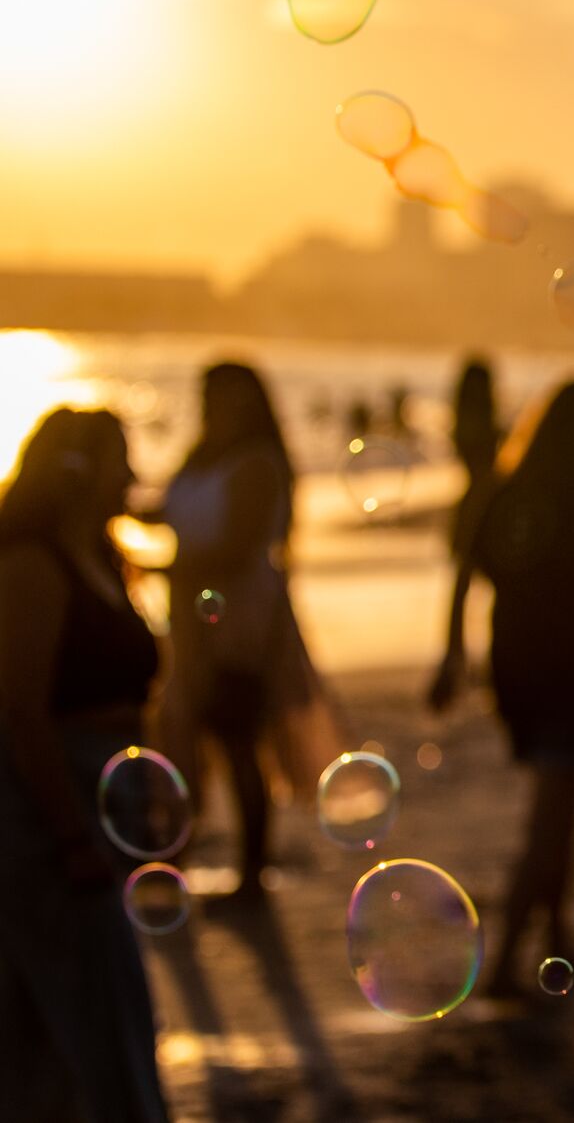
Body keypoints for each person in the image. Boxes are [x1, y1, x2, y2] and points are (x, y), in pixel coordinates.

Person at [431, 380, 574, 996]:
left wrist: (452, 656)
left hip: (517, 662)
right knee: (553, 810)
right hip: (573, 662)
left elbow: (463, 579)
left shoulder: (506, 487)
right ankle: (506, 963)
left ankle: (554, 939)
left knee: (563, 800)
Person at [0, 409, 171, 1121]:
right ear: (73, 471)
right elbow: (19, 709)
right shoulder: (30, 562)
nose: (132, 476)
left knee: (73, 1012)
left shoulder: (100, 555)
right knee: (86, 1011)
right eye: (117, 460)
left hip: (102, 807)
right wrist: (71, 837)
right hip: (48, 820)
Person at [154, 361, 340, 903]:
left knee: (237, 737)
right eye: (210, 394)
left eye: (228, 396)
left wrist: (167, 570)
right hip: (188, 615)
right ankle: (174, 863)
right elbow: (171, 516)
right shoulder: (199, 456)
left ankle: (251, 872)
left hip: (241, 619)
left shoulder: (260, 463)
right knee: (182, 734)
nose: (216, 407)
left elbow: (239, 549)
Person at [449, 356, 501, 563]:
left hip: (476, 498)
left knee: (466, 563)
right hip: (482, 500)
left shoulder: (463, 419)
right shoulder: (478, 423)